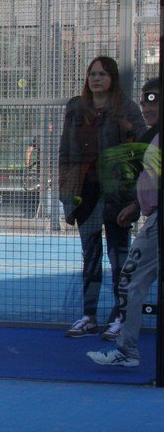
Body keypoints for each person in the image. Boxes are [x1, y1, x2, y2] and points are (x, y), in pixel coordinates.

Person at [59, 55, 145, 338]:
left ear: (113, 78)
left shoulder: (127, 109)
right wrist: (66, 191)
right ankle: (89, 316)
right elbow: (65, 150)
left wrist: (135, 196)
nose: (96, 79)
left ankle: (121, 316)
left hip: (117, 194)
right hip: (86, 194)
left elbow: (142, 148)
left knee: (119, 256)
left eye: (103, 74)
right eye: (93, 74)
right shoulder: (76, 108)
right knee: (91, 256)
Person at [88, 77, 160, 366]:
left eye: (153, 100)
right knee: (131, 281)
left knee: (130, 280)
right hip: (153, 217)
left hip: (157, 224)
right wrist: (137, 204)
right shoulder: (152, 136)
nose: (146, 107)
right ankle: (127, 351)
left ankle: (127, 351)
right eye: (144, 101)